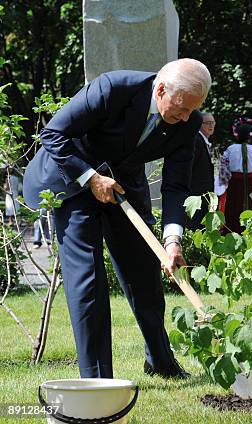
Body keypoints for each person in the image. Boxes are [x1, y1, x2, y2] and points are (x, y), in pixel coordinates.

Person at [23, 58, 212, 379]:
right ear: (162, 89)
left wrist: (172, 240)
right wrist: (90, 178)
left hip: (124, 182)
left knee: (145, 272)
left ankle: (160, 361)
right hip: (73, 180)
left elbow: (176, 185)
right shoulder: (114, 89)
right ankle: (97, 379)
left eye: (191, 112)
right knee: (88, 279)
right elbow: (53, 134)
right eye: (180, 109)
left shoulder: (188, 122)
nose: (183, 120)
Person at [218, 117, 252, 233]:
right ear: (250, 136)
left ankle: (233, 233)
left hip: (235, 185)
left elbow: (223, 170)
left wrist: (222, 187)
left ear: (237, 135)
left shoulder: (230, 149)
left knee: (234, 209)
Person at [185, 112, 215, 230]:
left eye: (213, 122)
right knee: (195, 225)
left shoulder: (203, 141)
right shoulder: (196, 140)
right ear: (199, 124)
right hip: (195, 194)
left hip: (202, 195)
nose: (211, 125)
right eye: (207, 123)